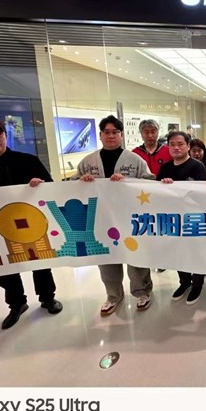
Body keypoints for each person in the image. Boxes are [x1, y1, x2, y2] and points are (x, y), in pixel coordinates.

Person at [0, 119, 64, 330]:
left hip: (29, 223)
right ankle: (17, 304)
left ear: (5, 136)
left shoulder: (28, 161)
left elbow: (50, 188)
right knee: (5, 267)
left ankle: (47, 297)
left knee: (39, 261)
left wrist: (40, 186)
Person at [76, 115, 155, 316]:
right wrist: (81, 181)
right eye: (107, 132)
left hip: (130, 218)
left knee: (136, 256)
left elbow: (150, 184)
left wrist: (129, 182)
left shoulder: (135, 160)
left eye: (115, 132)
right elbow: (71, 186)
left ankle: (143, 291)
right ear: (100, 135)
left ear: (121, 135)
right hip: (100, 219)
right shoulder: (88, 162)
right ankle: (113, 295)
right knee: (106, 258)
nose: (111, 136)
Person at [157, 131, 206, 305]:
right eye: (172, 144)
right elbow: (156, 192)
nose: (176, 147)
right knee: (178, 251)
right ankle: (184, 282)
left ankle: (197, 284)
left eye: (180, 144)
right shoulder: (165, 168)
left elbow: (201, 194)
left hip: (193, 217)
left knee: (196, 252)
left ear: (188, 146)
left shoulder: (197, 167)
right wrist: (164, 187)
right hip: (173, 218)